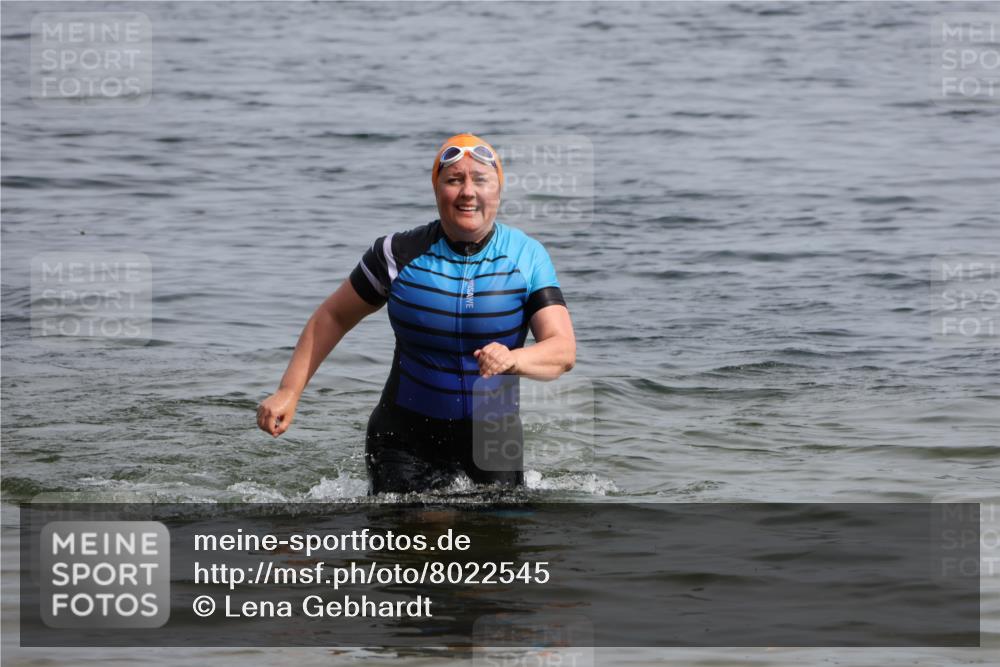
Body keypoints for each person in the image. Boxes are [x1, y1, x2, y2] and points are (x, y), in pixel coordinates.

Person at [256, 133, 576, 494]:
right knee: (416, 538)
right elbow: (333, 317)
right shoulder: (397, 254)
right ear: (437, 189)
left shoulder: (527, 257)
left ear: (498, 189)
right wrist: (288, 390)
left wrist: (513, 359)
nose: (468, 192)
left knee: (493, 544)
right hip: (404, 439)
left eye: (480, 180)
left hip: (494, 441)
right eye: (454, 179)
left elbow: (562, 351)